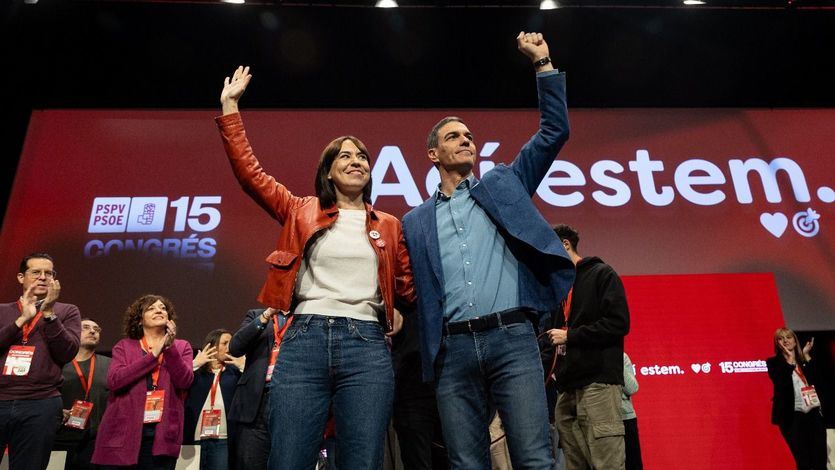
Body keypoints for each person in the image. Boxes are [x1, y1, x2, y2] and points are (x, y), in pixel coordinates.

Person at [216, 65, 416, 470]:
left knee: (363, 460)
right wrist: (230, 108)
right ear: (328, 171)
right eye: (345, 156)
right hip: (303, 340)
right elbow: (250, 175)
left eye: (363, 156)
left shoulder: (390, 226)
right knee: (288, 459)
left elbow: (408, 288)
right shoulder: (299, 210)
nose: (357, 161)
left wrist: (399, 307)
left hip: (367, 346)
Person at [401, 32, 574, 469]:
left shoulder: (504, 183)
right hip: (453, 352)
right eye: (455, 136)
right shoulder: (414, 220)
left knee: (535, 458)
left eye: (470, 136)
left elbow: (554, 131)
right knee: (466, 464)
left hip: (512, 339)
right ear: (432, 153)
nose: (467, 141)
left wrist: (542, 63)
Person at [546, 224, 630, 470]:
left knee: (607, 463)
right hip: (566, 389)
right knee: (574, 464)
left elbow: (618, 323)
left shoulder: (601, 274)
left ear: (565, 244)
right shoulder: (558, 290)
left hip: (598, 384)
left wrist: (571, 336)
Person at [92, 295, 194, 469]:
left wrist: (169, 348)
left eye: (162, 308)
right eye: (151, 308)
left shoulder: (182, 346)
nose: (159, 310)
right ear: (139, 320)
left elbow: (184, 381)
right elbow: (115, 381)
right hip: (124, 432)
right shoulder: (124, 346)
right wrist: (152, 356)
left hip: (161, 433)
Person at [0, 252, 81, 470]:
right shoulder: (2, 310)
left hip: (41, 403)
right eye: (36, 272)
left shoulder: (66, 311)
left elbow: (68, 352)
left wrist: (49, 314)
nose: (43, 277)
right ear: (20, 277)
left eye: (49, 273)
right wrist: (21, 321)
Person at [54, 318, 112, 470]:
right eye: (86, 327)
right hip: (60, 438)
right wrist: (56, 412)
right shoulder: (56, 364)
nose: (93, 331)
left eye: (97, 329)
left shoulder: (111, 364)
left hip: (96, 441)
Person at [766, 328, 827, 469]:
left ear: (795, 340)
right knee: (803, 461)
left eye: (788, 337)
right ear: (777, 343)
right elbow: (781, 382)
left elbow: (819, 381)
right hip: (792, 417)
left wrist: (806, 356)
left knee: (820, 460)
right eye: (781, 338)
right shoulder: (773, 363)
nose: (786, 341)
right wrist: (790, 362)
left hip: (813, 414)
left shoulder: (804, 360)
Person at [184, 328, 244, 470]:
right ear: (212, 346)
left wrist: (243, 366)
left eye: (231, 343)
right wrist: (195, 364)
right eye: (225, 343)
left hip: (222, 439)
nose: (230, 347)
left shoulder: (234, 372)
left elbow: (253, 387)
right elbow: (179, 381)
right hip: (194, 439)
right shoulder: (197, 373)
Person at [622, 353, 643, 470]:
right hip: (599, 420)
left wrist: (614, 359)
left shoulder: (621, 357)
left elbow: (632, 388)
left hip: (625, 418)